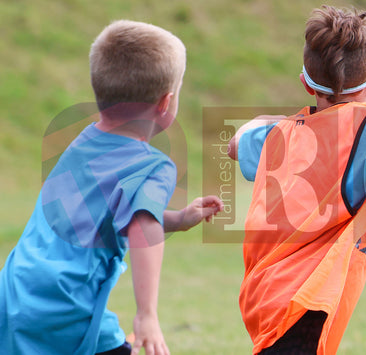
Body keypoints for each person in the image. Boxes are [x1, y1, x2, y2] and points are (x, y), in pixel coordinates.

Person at [228, 5, 366, 355]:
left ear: (305, 82)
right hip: (306, 298)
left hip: (264, 292)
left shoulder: (286, 132)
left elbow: (236, 144)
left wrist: (272, 119)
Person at [0, 20, 223, 355]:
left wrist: (177, 219)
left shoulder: (81, 143)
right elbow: (141, 224)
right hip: (69, 304)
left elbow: (116, 210)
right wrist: (147, 315)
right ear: (166, 102)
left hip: (15, 290)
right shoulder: (154, 166)